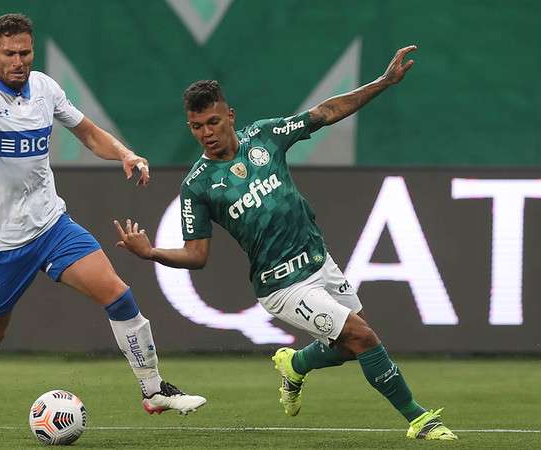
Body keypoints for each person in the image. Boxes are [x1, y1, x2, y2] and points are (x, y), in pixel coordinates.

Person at [114, 45, 457, 439]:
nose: (206, 133)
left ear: (230, 116)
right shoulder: (198, 185)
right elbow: (197, 256)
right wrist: (152, 252)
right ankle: (420, 420)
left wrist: (382, 82)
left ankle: (296, 365)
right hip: (282, 285)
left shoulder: (265, 136)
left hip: (318, 260)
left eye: (212, 122)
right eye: (196, 126)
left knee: (350, 347)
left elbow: (325, 113)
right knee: (363, 335)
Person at [0, 13, 206, 416]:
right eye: (10, 53)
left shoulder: (45, 88)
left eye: (26, 52)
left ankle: (153, 391)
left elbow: (86, 132)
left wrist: (125, 153)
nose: (19, 61)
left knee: (117, 294)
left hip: (52, 226)